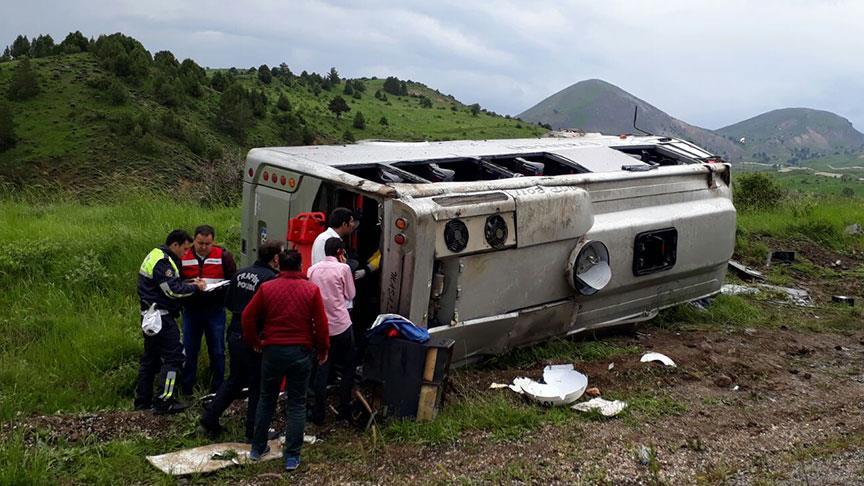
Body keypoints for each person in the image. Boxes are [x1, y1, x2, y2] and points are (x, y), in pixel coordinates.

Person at [242, 249, 329, 472]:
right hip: (301, 352)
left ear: (279, 264)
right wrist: (322, 350)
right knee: (297, 404)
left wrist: (255, 341)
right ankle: (291, 456)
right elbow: (321, 325)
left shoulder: (267, 288)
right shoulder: (311, 289)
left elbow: (247, 316)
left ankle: (257, 448)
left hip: (272, 351)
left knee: (266, 399)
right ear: (300, 265)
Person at [198, 240, 283, 440]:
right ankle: (253, 429)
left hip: (234, 332)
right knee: (257, 384)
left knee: (235, 379)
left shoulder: (240, 273)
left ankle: (209, 419)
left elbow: (228, 302)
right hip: (254, 337)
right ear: (276, 258)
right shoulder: (270, 279)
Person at [134, 230, 205, 414]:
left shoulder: (157, 255)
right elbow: (172, 290)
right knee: (174, 357)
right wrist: (195, 288)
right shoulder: (163, 262)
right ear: (175, 245)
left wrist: (188, 282)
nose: (186, 253)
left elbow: (169, 283)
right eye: (185, 248)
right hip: (161, 316)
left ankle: (142, 401)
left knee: (150, 359)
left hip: (151, 315)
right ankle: (165, 400)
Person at [180, 225, 237, 396]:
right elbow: (176, 281)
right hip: (191, 310)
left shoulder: (223, 256)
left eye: (207, 244)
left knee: (218, 351)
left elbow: (232, 281)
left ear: (213, 242)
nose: (203, 247)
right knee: (189, 350)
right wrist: (190, 285)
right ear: (194, 240)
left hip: (215, 310)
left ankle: (217, 389)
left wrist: (221, 293)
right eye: (200, 243)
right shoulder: (184, 255)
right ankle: (187, 388)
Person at [307, 237, 356, 424]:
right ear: (340, 252)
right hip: (341, 325)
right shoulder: (343, 269)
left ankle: (319, 413)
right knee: (348, 366)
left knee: (322, 367)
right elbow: (350, 295)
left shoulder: (312, 270)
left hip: (320, 327)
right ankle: (344, 410)